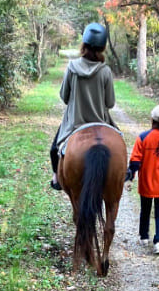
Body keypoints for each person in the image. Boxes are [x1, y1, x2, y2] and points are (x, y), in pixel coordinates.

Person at [50, 22, 119, 190]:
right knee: (119, 144)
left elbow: (64, 97)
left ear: (84, 44)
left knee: (54, 149)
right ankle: (121, 174)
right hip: (100, 123)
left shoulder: (72, 68)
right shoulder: (105, 71)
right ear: (102, 47)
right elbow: (110, 103)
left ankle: (56, 178)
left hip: (75, 123)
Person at [126, 105, 159, 254]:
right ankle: (158, 241)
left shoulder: (142, 138)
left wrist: (130, 178)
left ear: (152, 120)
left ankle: (143, 237)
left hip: (146, 182)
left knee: (145, 210)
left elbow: (135, 161)